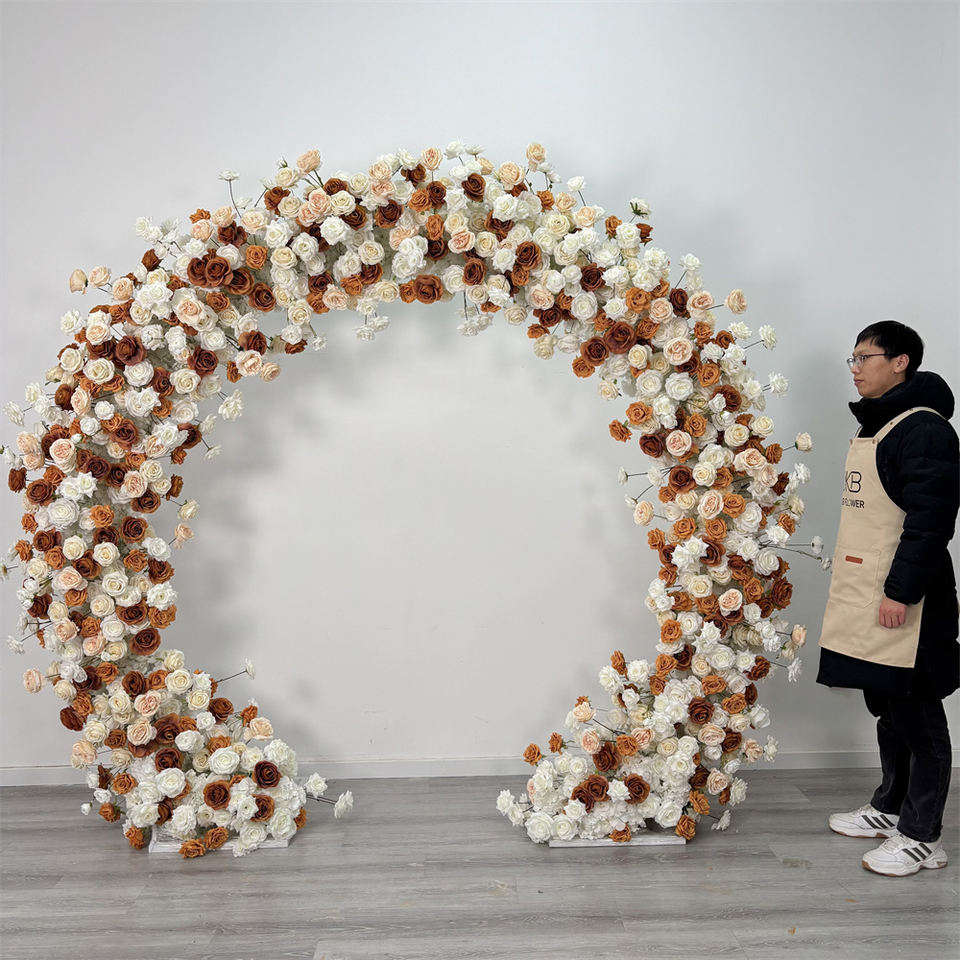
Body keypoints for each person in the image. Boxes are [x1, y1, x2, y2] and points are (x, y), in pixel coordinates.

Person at [817, 319, 959, 877]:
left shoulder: (925, 430)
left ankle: (922, 836)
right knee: (888, 705)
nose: (855, 368)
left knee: (919, 715)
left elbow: (930, 522)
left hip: (909, 600)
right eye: (851, 359)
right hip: (869, 590)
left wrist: (901, 592)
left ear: (900, 362)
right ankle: (890, 807)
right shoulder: (880, 425)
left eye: (865, 358)